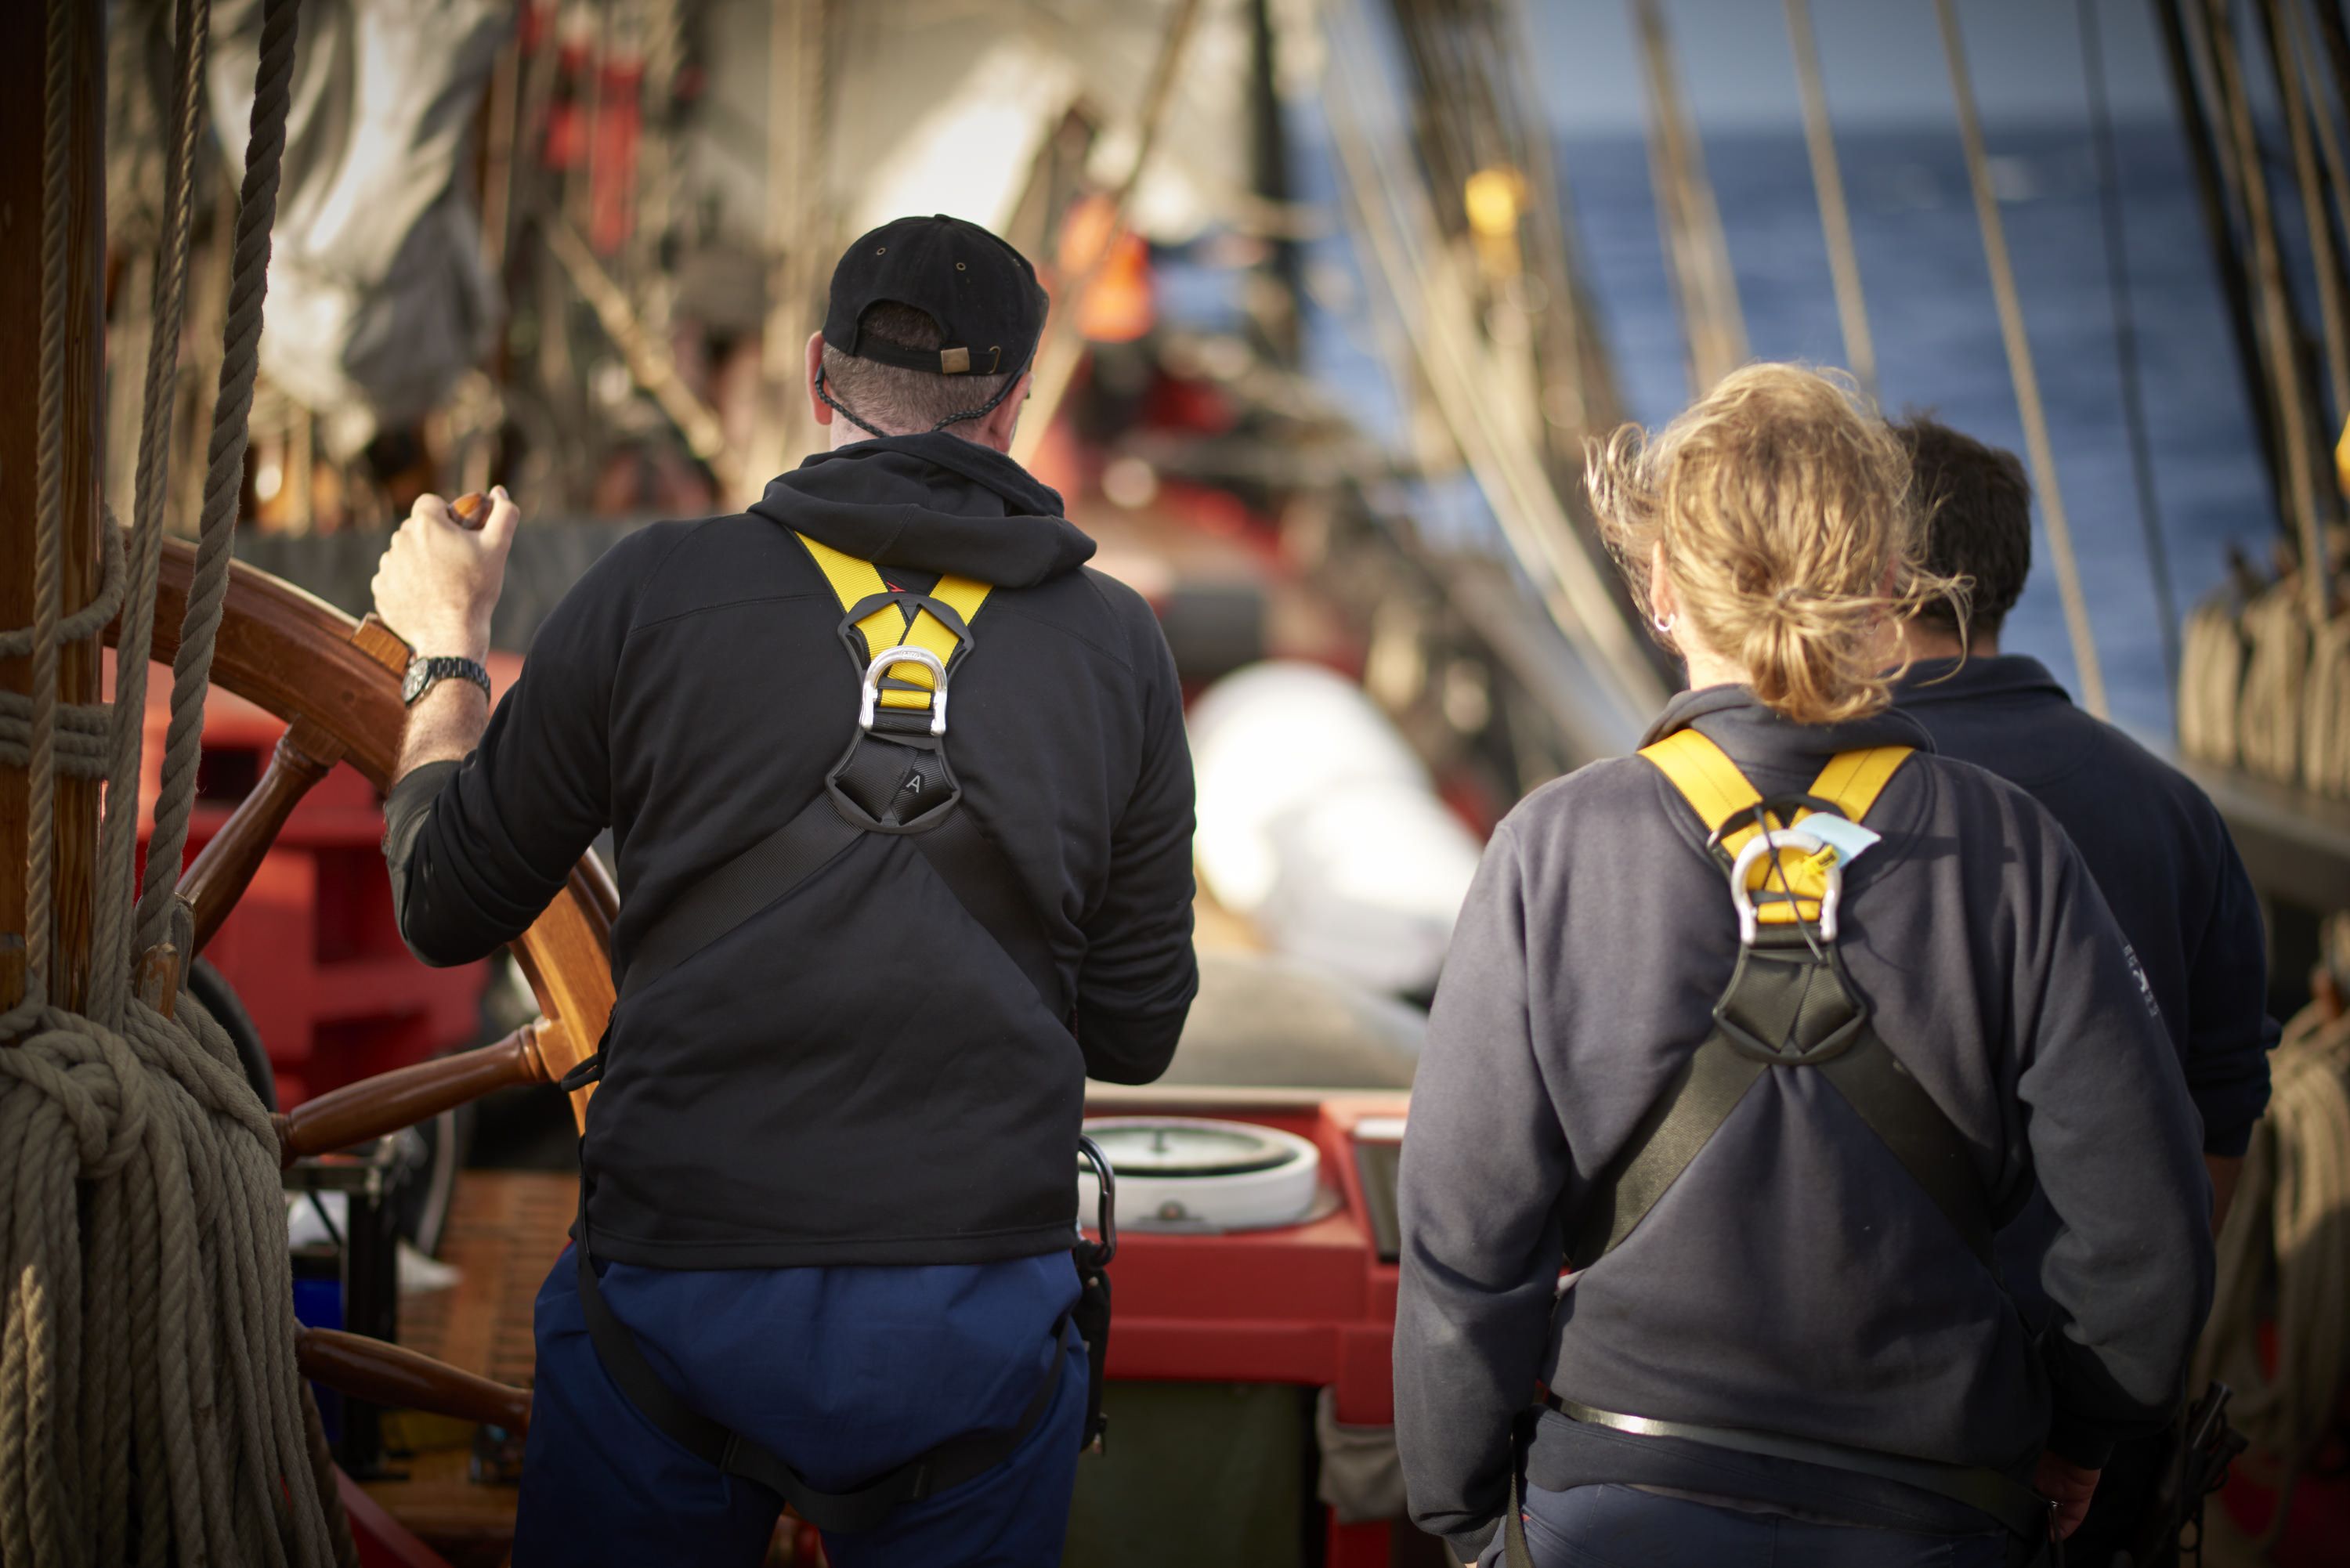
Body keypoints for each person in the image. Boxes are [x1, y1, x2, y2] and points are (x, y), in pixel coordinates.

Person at [367, 215, 1199, 1566]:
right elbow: (1136, 1031)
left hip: (672, 1312)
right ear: (1016, 404)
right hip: (971, 1327)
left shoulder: (650, 593)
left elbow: (443, 903)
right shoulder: (1119, 649)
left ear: (818, 372)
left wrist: (447, 655)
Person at [1392, 365, 2214, 1568]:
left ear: (1663, 589)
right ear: (1887, 584)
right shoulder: (2013, 854)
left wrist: (1465, 1513)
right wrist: (2087, 1432)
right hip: (1933, 1511)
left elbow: (1464, 1235)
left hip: (1616, 1500)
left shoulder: (1551, 851)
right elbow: (2145, 1231)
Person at [1890, 415, 2277, 1562]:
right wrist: (2109, 1395)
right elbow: (2220, 1115)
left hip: (1882, 1412)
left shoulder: (1841, 808)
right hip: (2095, 1438)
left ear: (1878, 568)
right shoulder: (2173, 810)